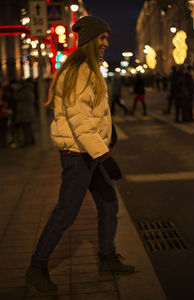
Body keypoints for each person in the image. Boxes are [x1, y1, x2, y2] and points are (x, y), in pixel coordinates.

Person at [25, 15, 135, 294]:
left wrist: (109, 137)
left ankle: (107, 257)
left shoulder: (89, 68)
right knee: (66, 212)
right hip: (78, 154)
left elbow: (95, 113)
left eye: (107, 37)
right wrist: (105, 156)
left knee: (109, 203)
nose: (106, 43)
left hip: (90, 151)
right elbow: (80, 119)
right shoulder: (79, 71)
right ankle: (36, 267)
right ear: (89, 41)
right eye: (102, 38)